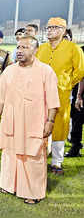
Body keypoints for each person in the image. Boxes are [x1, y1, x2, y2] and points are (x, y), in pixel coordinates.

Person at [0, 36, 60, 204]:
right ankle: (9, 185)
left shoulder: (46, 71)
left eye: (25, 47)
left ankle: (34, 192)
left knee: (33, 156)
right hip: (11, 121)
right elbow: (1, 97)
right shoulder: (9, 70)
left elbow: (53, 101)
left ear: (36, 50)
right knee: (9, 153)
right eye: (18, 47)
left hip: (34, 122)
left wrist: (50, 122)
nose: (20, 51)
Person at [36, 17, 84, 174]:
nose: (50, 30)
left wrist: (67, 84)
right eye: (48, 28)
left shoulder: (73, 48)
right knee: (39, 125)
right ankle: (39, 159)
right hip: (39, 94)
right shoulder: (42, 48)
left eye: (55, 28)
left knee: (60, 127)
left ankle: (56, 162)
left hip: (60, 94)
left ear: (63, 31)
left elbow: (80, 71)